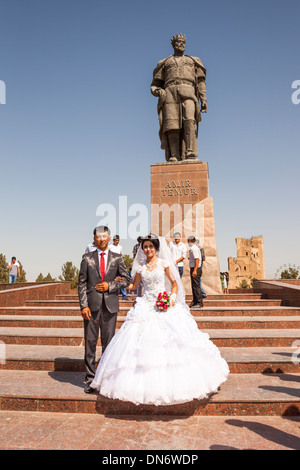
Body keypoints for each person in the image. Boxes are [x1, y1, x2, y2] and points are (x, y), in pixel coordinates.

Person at [90, 234, 229, 405]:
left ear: (156, 248)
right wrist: (117, 283)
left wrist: (171, 298)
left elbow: (174, 283)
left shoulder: (164, 264)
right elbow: (134, 286)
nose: (148, 250)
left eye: (150, 247)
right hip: (146, 306)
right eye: (145, 247)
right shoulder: (140, 267)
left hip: (163, 305)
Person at [78, 226, 131, 393]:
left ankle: (107, 378)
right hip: (91, 306)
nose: (101, 239)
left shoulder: (117, 258)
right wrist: (83, 305)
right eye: (98, 236)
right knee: (90, 342)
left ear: (109, 239)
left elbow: (127, 279)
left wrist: (111, 285)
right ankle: (90, 379)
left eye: (104, 236)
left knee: (109, 344)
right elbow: (82, 283)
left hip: (110, 305)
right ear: (94, 239)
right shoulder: (87, 258)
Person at [151, 33, 207, 162]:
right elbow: (155, 84)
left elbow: (200, 82)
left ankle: (190, 151)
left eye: (183, 43)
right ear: (173, 45)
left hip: (188, 91)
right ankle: (174, 154)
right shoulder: (165, 62)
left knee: (189, 119)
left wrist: (204, 99)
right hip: (169, 93)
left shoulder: (193, 61)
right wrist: (157, 91)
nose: (181, 45)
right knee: (171, 124)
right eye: (178, 42)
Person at [109, 235, 128, 300]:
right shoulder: (110, 247)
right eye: (116, 240)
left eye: (118, 240)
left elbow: (121, 256)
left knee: (122, 279)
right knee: (112, 279)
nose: (117, 241)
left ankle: (124, 295)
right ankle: (111, 294)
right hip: (112, 265)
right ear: (113, 240)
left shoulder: (120, 247)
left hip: (119, 265)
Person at [188, 236, 203, 308]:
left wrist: (195, 270)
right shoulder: (193, 249)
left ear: (190, 241)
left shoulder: (194, 249)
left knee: (196, 286)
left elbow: (197, 259)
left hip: (195, 269)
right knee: (194, 286)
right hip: (194, 268)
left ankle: (199, 303)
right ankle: (195, 301)